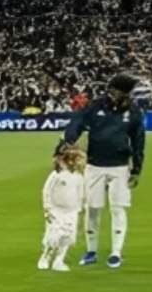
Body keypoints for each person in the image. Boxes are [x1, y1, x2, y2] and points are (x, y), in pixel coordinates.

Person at [62, 73, 145, 269]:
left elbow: (139, 141)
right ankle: (91, 251)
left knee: (118, 208)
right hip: (95, 164)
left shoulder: (133, 111)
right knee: (93, 208)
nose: (127, 97)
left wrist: (137, 169)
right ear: (113, 91)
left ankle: (116, 252)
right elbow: (77, 123)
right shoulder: (96, 106)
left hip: (120, 165)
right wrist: (68, 140)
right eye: (124, 93)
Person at [38, 143, 86, 272]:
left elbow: (81, 193)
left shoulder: (78, 176)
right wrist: (47, 208)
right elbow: (46, 191)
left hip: (72, 210)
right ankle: (46, 257)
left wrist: (81, 207)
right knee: (54, 235)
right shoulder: (56, 175)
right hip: (56, 210)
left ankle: (59, 260)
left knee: (68, 236)